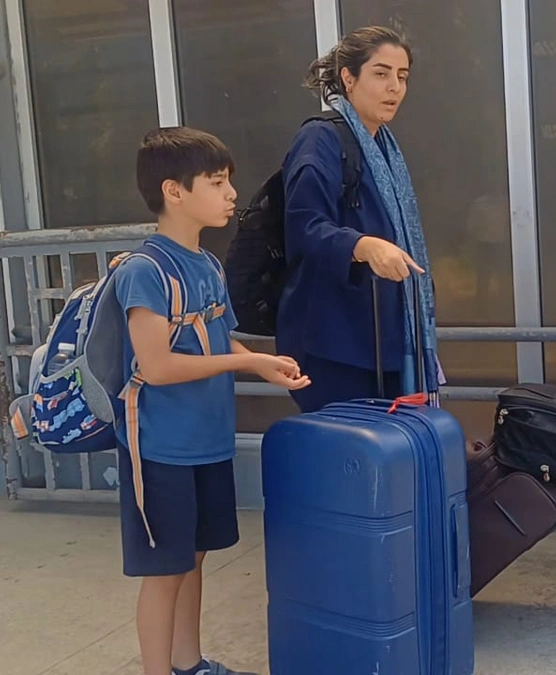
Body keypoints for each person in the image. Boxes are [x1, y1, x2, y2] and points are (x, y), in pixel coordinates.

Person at [115, 127, 311, 675]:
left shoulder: (207, 264)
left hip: (207, 441)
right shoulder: (144, 271)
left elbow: (218, 340)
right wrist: (242, 364)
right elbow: (157, 366)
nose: (231, 195)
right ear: (174, 191)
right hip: (160, 449)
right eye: (218, 182)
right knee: (165, 570)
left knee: (194, 558)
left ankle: (189, 664)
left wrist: (260, 361)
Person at [276, 26, 442, 413]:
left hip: (385, 340)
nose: (394, 87)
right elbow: (304, 224)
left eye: (402, 76)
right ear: (348, 78)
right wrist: (363, 246)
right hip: (336, 344)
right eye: (381, 73)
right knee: (347, 446)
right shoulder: (321, 139)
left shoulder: (384, 149)